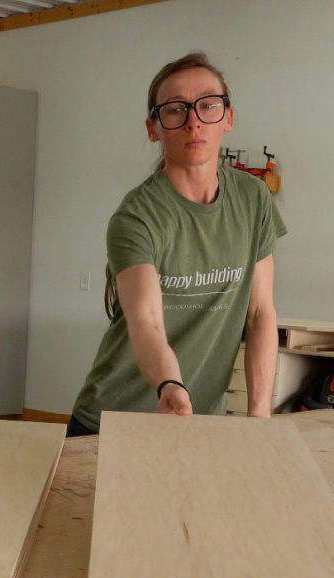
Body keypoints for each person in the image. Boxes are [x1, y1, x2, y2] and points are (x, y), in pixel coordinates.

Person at [69, 52, 286, 436]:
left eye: (208, 105)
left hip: (202, 421)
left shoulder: (253, 198)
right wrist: (169, 384)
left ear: (228, 118)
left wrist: (259, 416)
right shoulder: (137, 216)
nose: (193, 121)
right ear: (153, 128)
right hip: (117, 421)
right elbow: (146, 320)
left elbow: (260, 314)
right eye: (175, 110)